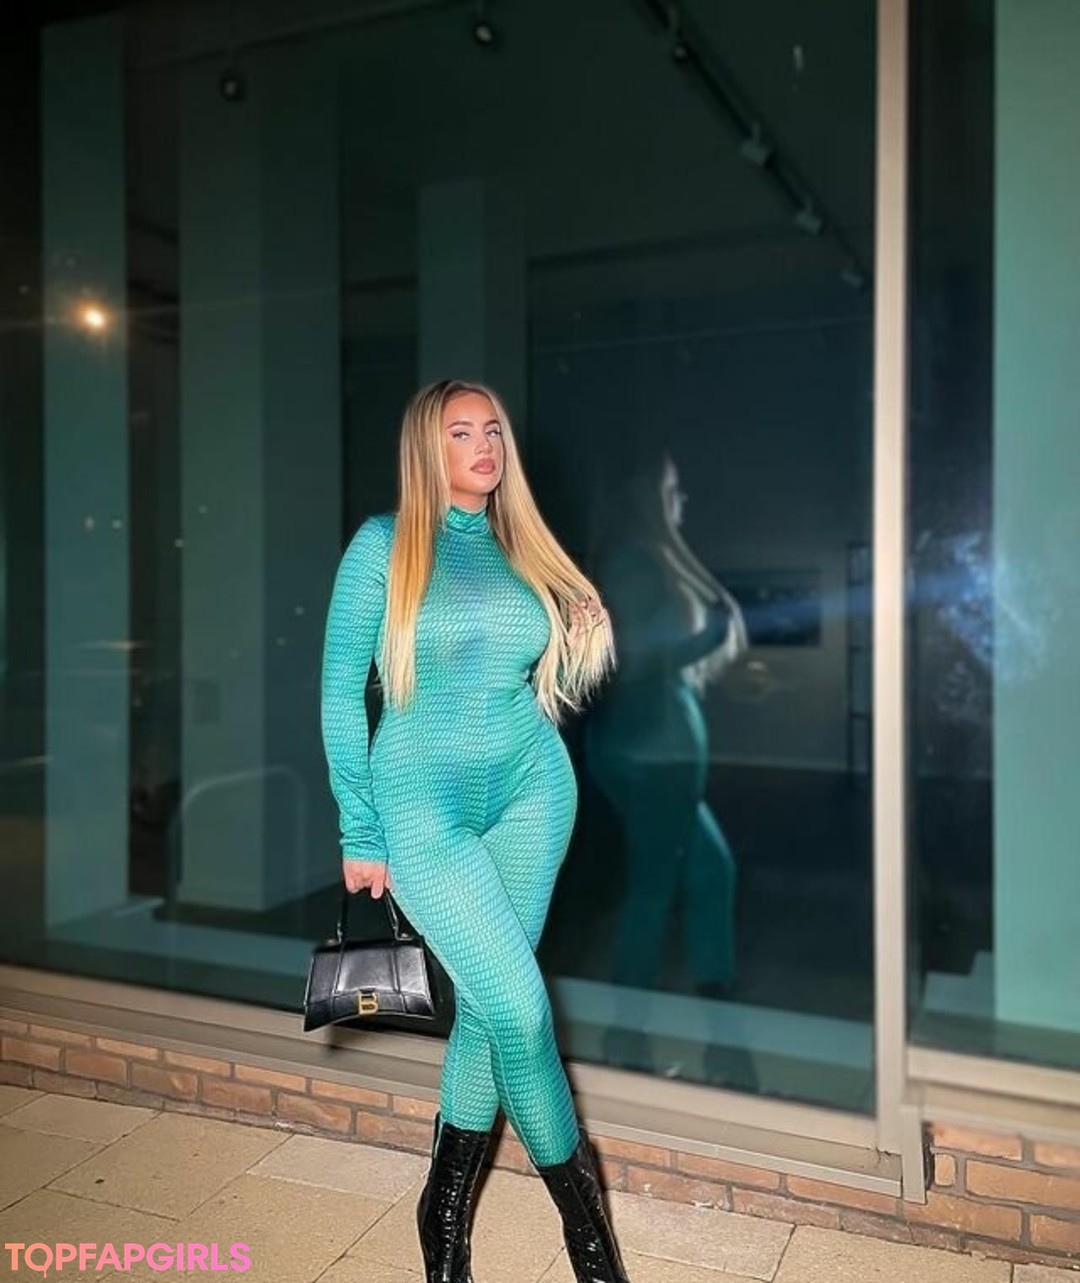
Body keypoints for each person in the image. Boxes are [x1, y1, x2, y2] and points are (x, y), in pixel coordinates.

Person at [320, 379, 627, 1283]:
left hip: (534, 790)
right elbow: (339, 694)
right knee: (521, 1011)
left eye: (492, 430)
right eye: (462, 432)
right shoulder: (383, 546)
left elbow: (533, 670)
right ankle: (594, 1250)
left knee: (493, 1015)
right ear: (429, 447)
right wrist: (359, 823)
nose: (484, 445)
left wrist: (583, 630)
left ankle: (444, 1211)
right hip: (422, 803)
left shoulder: (520, 544)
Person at [584, 452, 748, 1071]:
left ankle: (716, 994)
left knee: (712, 870)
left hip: (662, 755)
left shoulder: (647, 561)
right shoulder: (634, 563)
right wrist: (708, 640)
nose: (683, 501)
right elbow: (627, 663)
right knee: (652, 886)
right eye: (674, 490)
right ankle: (625, 1031)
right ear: (651, 498)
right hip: (652, 756)